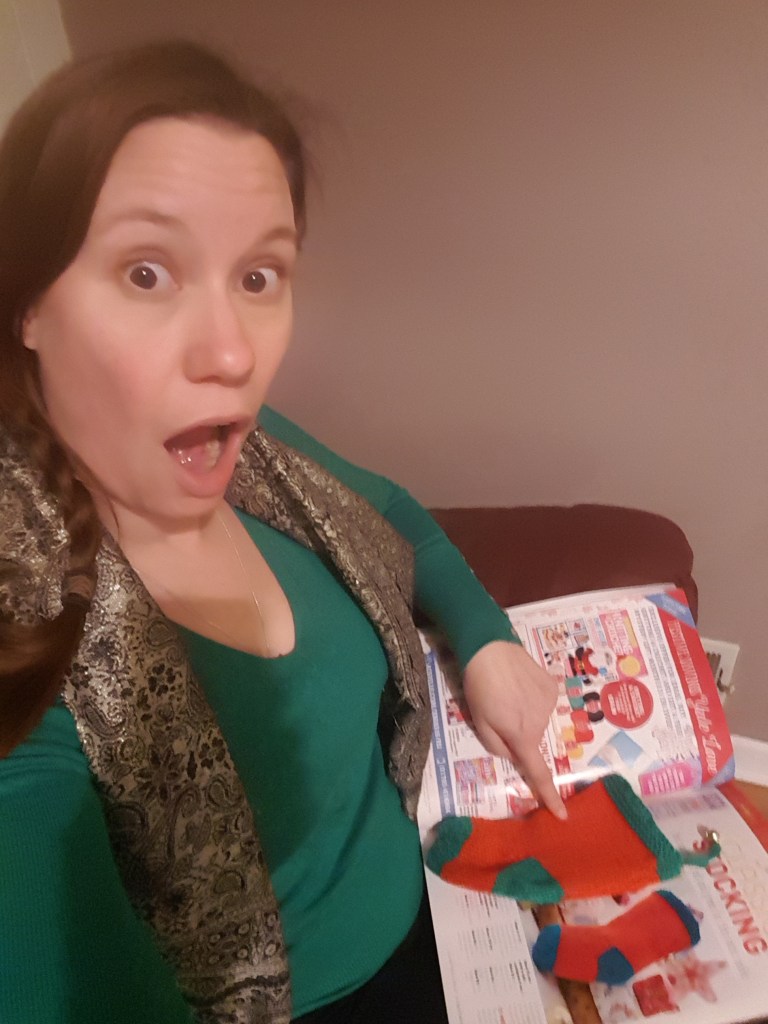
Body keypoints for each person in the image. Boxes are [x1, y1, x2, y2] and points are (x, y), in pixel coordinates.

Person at [0, 41, 564, 1024]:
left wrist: (487, 642)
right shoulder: (26, 634)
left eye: (259, 275)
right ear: (28, 304)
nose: (232, 354)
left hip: (454, 914)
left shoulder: (257, 455)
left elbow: (395, 516)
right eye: (146, 271)